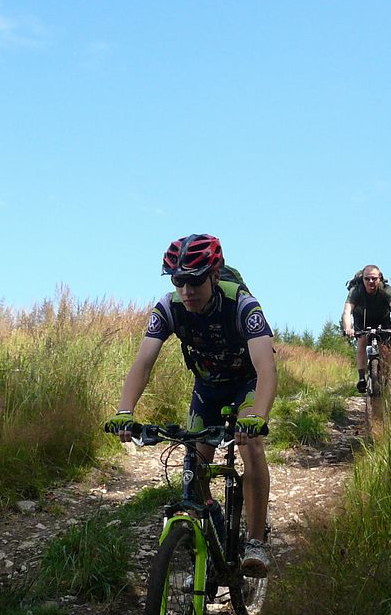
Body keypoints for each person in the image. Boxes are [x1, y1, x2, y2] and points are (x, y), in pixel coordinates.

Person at [104, 234, 278, 576]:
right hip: (207, 388)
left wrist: (258, 416)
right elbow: (143, 363)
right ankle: (211, 527)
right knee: (194, 463)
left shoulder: (242, 304)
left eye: (195, 281)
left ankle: (256, 542)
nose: (186, 291)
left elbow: (266, 368)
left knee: (251, 445)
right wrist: (125, 411)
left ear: (214, 275)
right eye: (178, 281)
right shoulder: (168, 308)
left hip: (246, 383)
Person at [341, 264, 391, 393]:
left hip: (382, 319)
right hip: (362, 318)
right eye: (367, 278)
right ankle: (361, 378)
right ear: (362, 279)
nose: (370, 281)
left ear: (379, 278)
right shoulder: (356, 291)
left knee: (386, 348)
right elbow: (347, 311)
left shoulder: (386, 290)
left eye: (374, 278)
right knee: (362, 341)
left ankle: (386, 377)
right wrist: (348, 328)